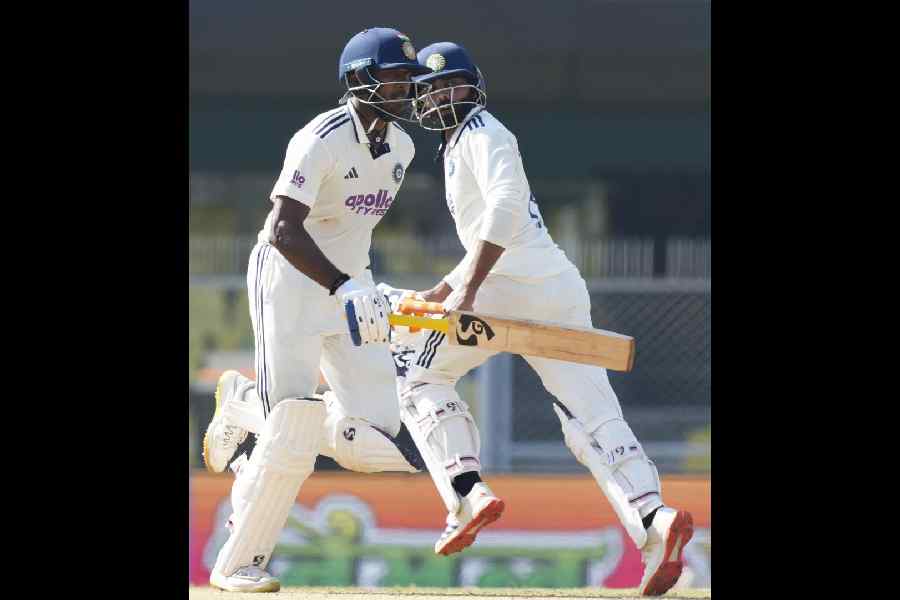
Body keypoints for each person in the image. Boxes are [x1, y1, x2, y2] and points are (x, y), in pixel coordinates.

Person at [358, 42, 694, 597]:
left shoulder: (485, 132)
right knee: (589, 417)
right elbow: (494, 229)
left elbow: (506, 210)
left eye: (451, 85)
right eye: (432, 89)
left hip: (502, 288)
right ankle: (654, 521)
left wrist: (469, 288)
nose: (441, 96)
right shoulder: (463, 142)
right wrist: (450, 283)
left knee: (415, 375)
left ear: (473, 88)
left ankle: (466, 491)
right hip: (555, 287)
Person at [202, 27, 432, 593]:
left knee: (382, 439)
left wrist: (366, 287)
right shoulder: (320, 138)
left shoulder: (402, 148)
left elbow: (351, 231)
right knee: (292, 431)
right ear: (359, 80)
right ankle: (236, 565)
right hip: (289, 281)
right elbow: (284, 230)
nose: (404, 89)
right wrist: (343, 285)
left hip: (351, 285)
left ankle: (244, 406)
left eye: (408, 79)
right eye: (393, 78)